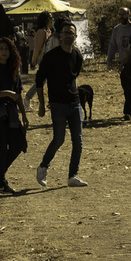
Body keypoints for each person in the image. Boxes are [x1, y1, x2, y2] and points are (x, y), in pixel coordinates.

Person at [35, 21, 87, 188]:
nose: (68, 36)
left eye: (71, 33)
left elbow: (74, 77)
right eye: (65, 33)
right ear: (59, 35)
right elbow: (39, 80)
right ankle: (43, 167)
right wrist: (42, 104)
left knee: (78, 142)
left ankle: (73, 175)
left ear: (75, 36)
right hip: (58, 105)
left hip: (75, 103)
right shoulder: (51, 57)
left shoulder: (77, 55)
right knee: (58, 140)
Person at [0, 36, 29, 194]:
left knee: (19, 143)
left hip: (11, 113)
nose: (3, 51)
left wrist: (24, 115)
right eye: (0, 49)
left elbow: (19, 94)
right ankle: (1, 183)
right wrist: (8, 93)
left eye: (6, 49)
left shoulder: (14, 69)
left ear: (11, 51)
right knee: (1, 147)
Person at [107, 6, 131, 119]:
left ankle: (128, 112)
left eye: (123, 14)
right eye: (119, 14)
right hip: (122, 64)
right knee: (126, 88)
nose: (121, 16)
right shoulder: (116, 29)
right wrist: (109, 60)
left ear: (129, 15)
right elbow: (112, 46)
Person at [23, 12, 54, 106]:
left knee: (48, 80)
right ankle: (27, 97)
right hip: (43, 58)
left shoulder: (48, 30)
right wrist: (34, 58)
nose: (52, 20)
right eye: (50, 18)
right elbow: (38, 47)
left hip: (48, 58)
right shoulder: (41, 32)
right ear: (46, 19)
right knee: (43, 80)